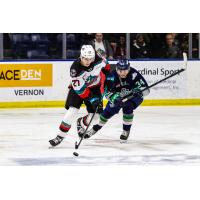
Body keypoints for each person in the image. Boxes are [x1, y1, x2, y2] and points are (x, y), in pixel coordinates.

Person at [49, 45, 110, 147]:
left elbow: (107, 67)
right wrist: (92, 98)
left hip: (95, 88)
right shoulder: (75, 68)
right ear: (81, 56)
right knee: (72, 111)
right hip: (78, 89)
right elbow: (80, 90)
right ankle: (60, 136)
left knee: (96, 117)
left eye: (90, 59)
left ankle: (81, 122)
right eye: (86, 59)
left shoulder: (99, 59)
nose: (88, 61)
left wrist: (109, 79)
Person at [83, 59, 150, 141]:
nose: (123, 73)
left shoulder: (134, 74)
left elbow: (146, 90)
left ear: (129, 68)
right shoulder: (111, 76)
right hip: (117, 97)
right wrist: (114, 97)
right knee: (106, 113)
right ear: (117, 69)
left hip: (132, 96)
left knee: (128, 107)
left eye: (125, 70)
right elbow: (106, 92)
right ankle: (95, 129)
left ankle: (126, 131)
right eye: (120, 70)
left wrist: (139, 92)